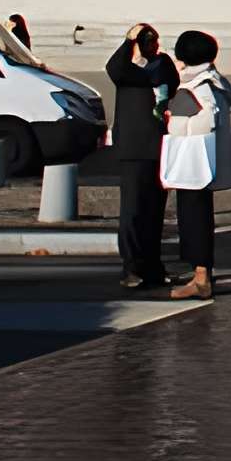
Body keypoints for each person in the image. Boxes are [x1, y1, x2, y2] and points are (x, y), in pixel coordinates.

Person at [103, 23, 179, 293]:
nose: (154, 46)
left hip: (158, 146)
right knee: (133, 211)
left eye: (155, 41)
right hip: (134, 149)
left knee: (154, 212)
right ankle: (132, 266)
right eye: (147, 41)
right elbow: (115, 69)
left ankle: (152, 266)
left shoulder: (161, 64)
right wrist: (129, 42)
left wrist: (146, 59)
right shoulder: (126, 69)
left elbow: (170, 80)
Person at [160, 30, 231, 300]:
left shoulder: (197, 85)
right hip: (203, 163)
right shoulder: (214, 82)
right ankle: (201, 274)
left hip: (193, 163)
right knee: (197, 217)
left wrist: (173, 121)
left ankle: (201, 277)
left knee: (194, 220)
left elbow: (204, 120)